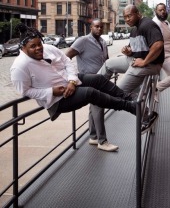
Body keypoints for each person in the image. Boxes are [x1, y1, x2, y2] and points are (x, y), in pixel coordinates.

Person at [10, 24, 156, 135]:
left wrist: (72, 81)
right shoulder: (20, 66)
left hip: (70, 81)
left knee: (98, 79)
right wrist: (51, 91)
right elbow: (25, 91)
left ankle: (131, 99)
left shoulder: (48, 48)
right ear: (23, 48)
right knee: (91, 93)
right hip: (58, 100)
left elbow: (67, 61)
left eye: (39, 44)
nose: (38, 48)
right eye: (32, 46)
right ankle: (131, 107)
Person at [98, 4, 163, 127]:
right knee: (108, 64)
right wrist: (128, 51)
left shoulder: (147, 24)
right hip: (133, 59)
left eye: (130, 16)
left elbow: (158, 45)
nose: (127, 19)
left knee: (118, 92)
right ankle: (95, 86)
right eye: (125, 17)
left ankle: (147, 116)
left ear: (138, 14)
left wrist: (144, 62)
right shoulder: (134, 29)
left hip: (149, 64)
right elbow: (137, 48)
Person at [66, 19, 118, 152]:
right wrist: (71, 77)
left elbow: (105, 60)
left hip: (101, 79)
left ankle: (94, 136)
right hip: (89, 79)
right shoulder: (82, 41)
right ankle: (102, 141)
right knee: (98, 106)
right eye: (96, 26)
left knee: (93, 109)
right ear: (91, 27)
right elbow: (66, 57)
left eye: (101, 27)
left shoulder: (102, 42)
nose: (99, 29)